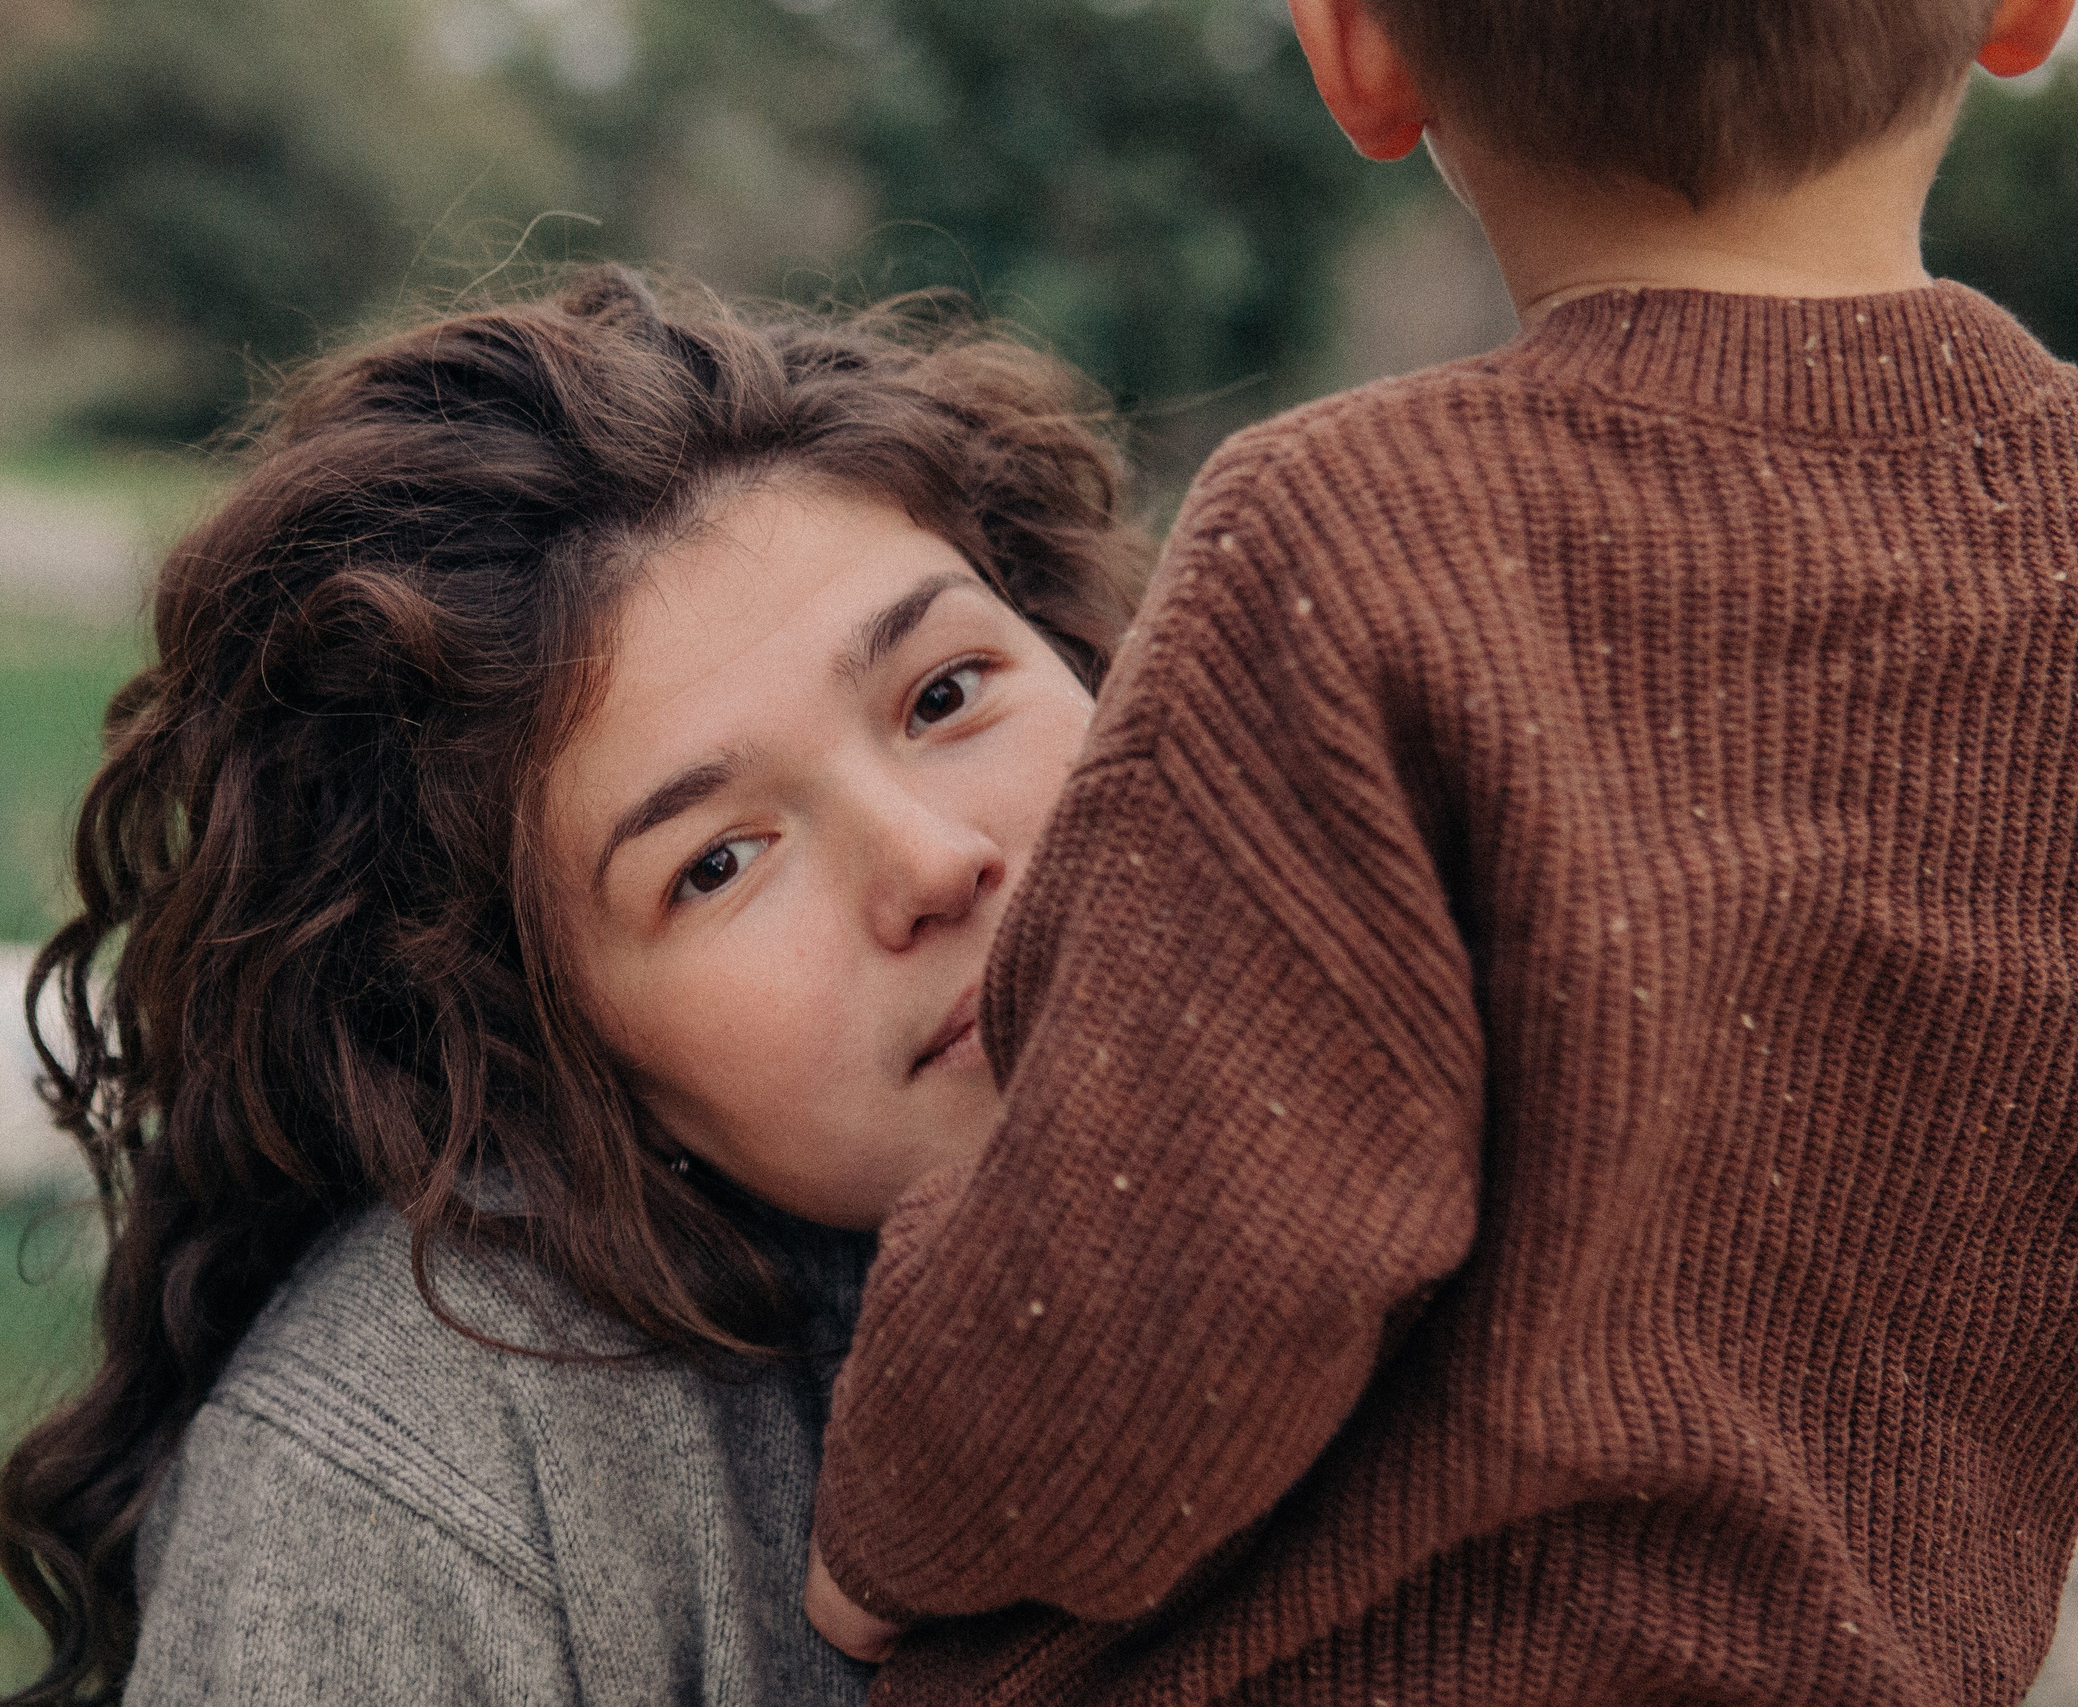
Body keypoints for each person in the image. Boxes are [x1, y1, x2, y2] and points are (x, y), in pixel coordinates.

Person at [805, 0, 2078, 1701]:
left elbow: (1173, 1265)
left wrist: (899, 1515)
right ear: (2026, 12)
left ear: (1358, 55)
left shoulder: (1355, 545)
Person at [0, 268, 1151, 1706]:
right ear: (550, 1047)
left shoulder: (1403, 1022)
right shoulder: (420, 1482)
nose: (932, 862)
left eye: (944, 694)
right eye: (717, 864)